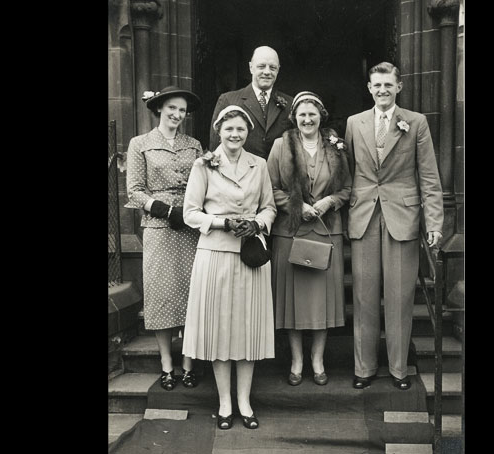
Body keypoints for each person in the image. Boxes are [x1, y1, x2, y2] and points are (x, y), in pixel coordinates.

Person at [344, 62, 443, 391]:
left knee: (400, 297)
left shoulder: (416, 123)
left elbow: (429, 176)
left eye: (388, 85)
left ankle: (399, 369)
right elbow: (348, 172)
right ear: (369, 88)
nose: (383, 90)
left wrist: (435, 222)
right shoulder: (354, 123)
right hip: (364, 216)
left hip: (403, 217)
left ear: (398, 87)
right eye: (377, 85)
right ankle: (364, 367)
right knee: (364, 296)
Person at [182, 106, 277, 430]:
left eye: (240, 129)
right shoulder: (203, 165)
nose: (234, 135)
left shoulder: (259, 165)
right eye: (228, 129)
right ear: (218, 131)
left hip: (250, 256)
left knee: (247, 331)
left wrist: (257, 224)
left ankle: (244, 402)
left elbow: (269, 207)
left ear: (247, 132)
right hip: (216, 256)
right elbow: (190, 213)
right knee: (222, 332)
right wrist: (223, 222)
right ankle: (224, 404)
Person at [267, 92, 351, 387]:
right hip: (290, 232)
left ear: (321, 115)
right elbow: (270, 188)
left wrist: (329, 201)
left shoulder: (335, 145)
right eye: (301, 114)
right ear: (294, 117)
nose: (307, 119)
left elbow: (346, 189)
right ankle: (296, 360)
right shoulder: (280, 145)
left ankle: (317, 359)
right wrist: (295, 204)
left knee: (321, 303)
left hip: (326, 231)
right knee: (294, 303)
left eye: (312, 114)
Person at [124, 86, 205, 391]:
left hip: (189, 225)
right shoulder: (140, 144)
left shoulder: (194, 144)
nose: (177, 115)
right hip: (159, 225)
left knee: (189, 293)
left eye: (182, 110)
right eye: (172, 108)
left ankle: (188, 365)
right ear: (159, 109)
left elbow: (204, 180)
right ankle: (166, 365)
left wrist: (190, 210)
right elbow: (134, 189)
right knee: (161, 293)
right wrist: (163, 209)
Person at [209, 46, 293, 160]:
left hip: (276, 175)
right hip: (240, 174)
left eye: (272, 67)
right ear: (251, 67)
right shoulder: (228, 100)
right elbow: (216, 147)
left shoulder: (290, 104)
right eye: (261, 66)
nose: (267, 72)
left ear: (278, 69)